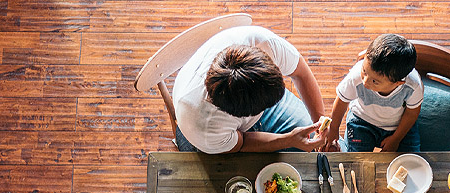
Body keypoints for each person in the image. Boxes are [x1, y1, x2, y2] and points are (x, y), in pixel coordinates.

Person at [173, 25, 326, 154]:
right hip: (213, 136)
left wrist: (321, 124)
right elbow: (243, 141)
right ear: (239, 114)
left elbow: (301, 73)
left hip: (252, 94)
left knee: (309, 140)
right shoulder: (204, 125)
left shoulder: (263, 43)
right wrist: (288, 140)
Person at [322, 33, 423, 153]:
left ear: (398, 83)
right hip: (362, 121)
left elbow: (411, 114)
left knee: (410, 159)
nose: (365, 82)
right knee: (356, 159)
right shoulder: (355, 77)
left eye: (375, 81)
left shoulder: (413, 86)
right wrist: (333, 129)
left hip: (398, 125)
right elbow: (342, 101)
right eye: (364, 71)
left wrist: (396, 139)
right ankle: (342, 147)